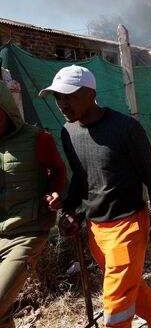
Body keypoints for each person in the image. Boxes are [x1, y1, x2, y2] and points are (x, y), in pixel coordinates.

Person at [39, 66, 151, 328]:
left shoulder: (125, 128)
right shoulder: (69, 132)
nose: (62, 104)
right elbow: (81, 177)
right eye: (58, 97)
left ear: (90, 94)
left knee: (115, 302)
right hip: (96, 229)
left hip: (128, 226)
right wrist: (68, 210)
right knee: (127, 286)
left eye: (69, 96)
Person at [0, 80, 66, 328]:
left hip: (26, 234)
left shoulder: (38, 138)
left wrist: (53, 193)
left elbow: (59, 170)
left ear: (7, 110)